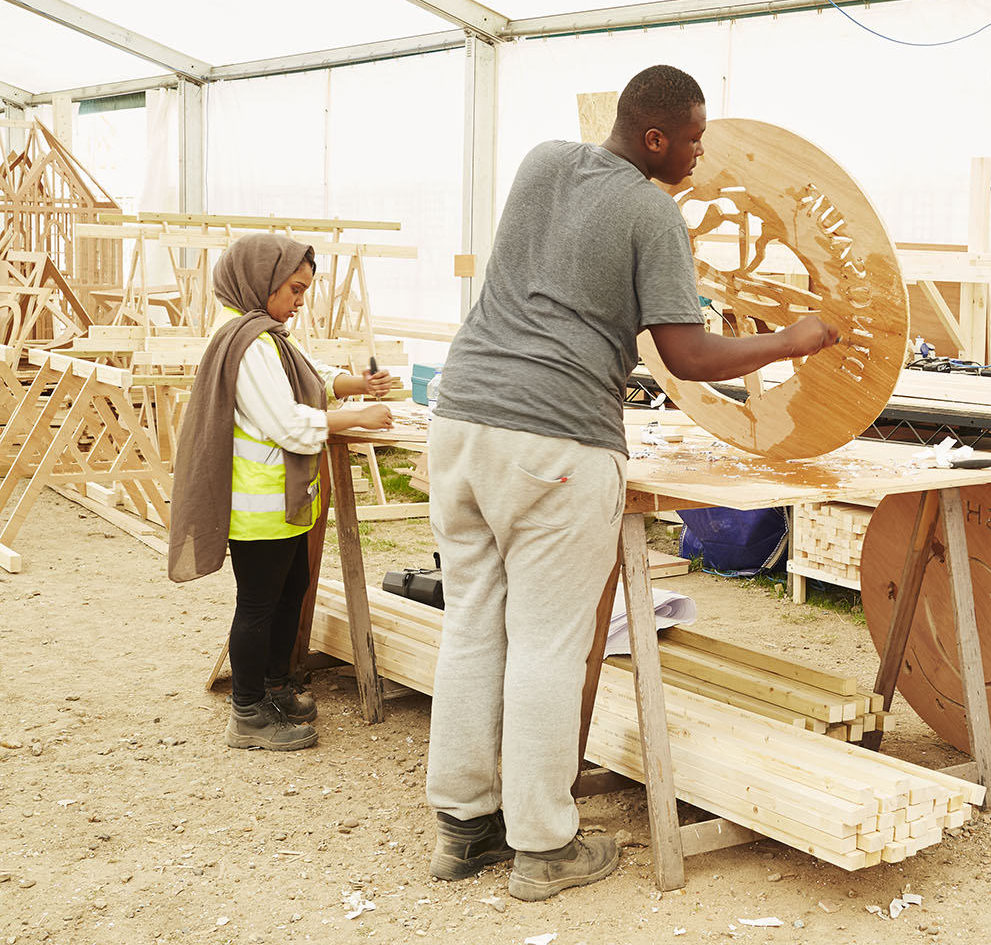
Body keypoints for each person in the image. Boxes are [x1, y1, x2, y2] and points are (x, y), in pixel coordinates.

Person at [424, 65, 839, 900]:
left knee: (473, 622)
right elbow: (685, 354)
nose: (698, 153)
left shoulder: (543, 162)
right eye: (691, 136)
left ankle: (462, 827)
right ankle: (542, 847)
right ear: (654, 136)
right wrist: (795, 338)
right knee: (550, 641)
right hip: (554, 439)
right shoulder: (653, 212)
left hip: (461, 418)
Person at [168, 233, 394, 751]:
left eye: (304, 291)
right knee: (259, 604)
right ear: (261, 281)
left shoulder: (262, 334)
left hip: (281, 500)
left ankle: (274, 686)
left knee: (292, 591)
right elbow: (289, 422)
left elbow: (304, 378)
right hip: (259, 504)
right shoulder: (248, 344)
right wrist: (353, 417)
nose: (298, 302)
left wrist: (352, 387)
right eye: (293, 289)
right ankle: (247, 712)